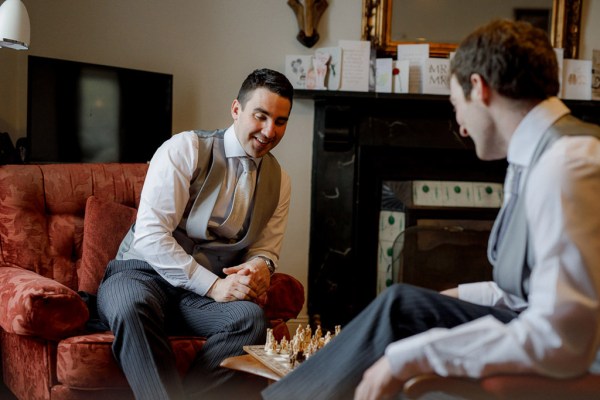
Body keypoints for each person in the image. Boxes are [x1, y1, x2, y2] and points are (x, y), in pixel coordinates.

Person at [262, 19, 600, 400]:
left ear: (479, 88)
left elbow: (563, 336)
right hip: (547, 326)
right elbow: (531, 292)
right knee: (402, 302)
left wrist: (408, 357)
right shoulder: (540, 156)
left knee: (400, 314)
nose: (462, 126)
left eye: (456, 106)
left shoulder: (567, 163)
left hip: (579, 351)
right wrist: (454, 295)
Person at [97, 68, 294, 399]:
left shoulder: (281, 181)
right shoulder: (185, 148)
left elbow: (266, 250)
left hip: (198, 298)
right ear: (236, 110)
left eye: (280, 121)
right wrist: (215, 286)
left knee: (250, 319)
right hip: (142, 274)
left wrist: (260, 267)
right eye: (261, 116)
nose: (269, 131)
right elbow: (150, 235)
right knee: (130, 307)